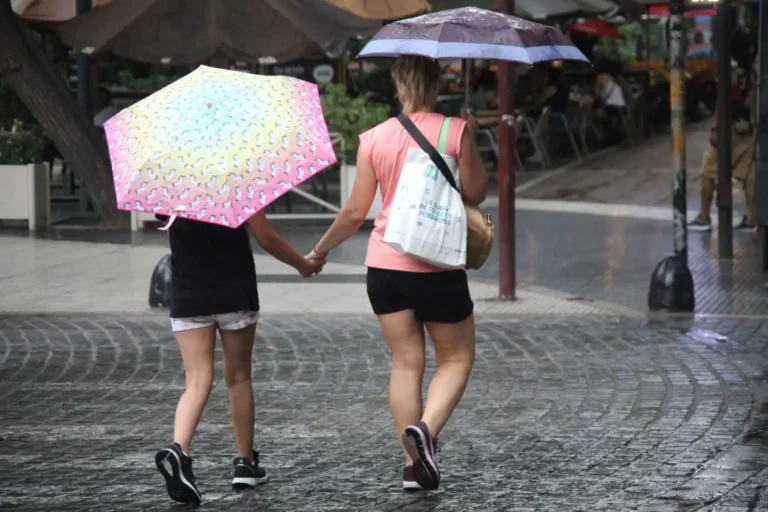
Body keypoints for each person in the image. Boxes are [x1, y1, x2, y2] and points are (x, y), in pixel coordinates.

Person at [306, 54, 488, 491]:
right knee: (457, 358)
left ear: (397, 86)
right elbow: (477, 192)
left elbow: (353, 213)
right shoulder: (454, 130)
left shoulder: (374, 138)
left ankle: (412, 468)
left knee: (406, 364)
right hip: (439, 266)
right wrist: (472, 138)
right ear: (435, 85)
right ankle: (426, 430)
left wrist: (319, 250)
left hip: (386, 266)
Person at [154, 212, 325, 504]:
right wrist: (303, 265)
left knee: (196, 382)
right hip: (234, 293)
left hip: (187, 296)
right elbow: (267, 238)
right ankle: (245, 463)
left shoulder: (173, 187)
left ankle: (179, 450)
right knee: (238, 377)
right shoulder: (236, 179)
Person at [689, 42, 756, 232]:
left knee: (708, 170)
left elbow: (725, 100)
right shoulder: (754, 70)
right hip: (749, 128)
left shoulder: (731, 71)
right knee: (749, 174)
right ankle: (751, 218)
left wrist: (716, 128)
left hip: (730, 129)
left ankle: (704, 216)